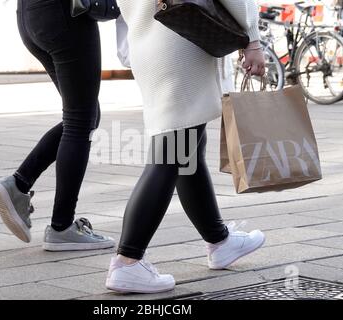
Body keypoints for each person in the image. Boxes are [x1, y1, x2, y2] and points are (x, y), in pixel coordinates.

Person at [106, 0, 267, 294]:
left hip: (149, 40)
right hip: (182, 40)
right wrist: (252, 37)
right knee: (171, 153)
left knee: (187, 150)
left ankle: (220, 241)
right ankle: (127, 261)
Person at [0, 0, 114, 251]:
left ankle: (19, 184)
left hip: (30, 15)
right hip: (67, 14)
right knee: (81, 121)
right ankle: (62, 227)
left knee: (84, 115)